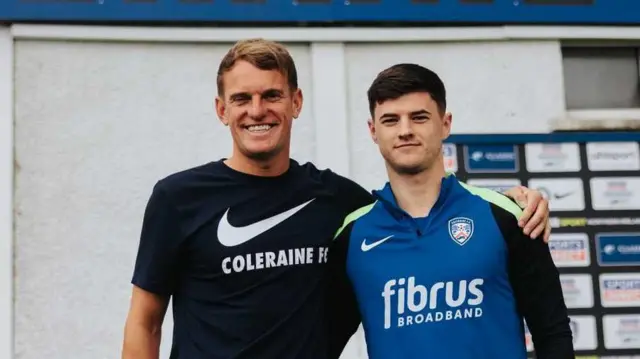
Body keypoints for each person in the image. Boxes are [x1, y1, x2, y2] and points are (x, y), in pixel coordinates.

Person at [121, 38, 552, 359]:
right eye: (241, 99)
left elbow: (421, 214)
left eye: (271, 95)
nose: (257, 110)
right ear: (222, 110)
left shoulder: (340, 203)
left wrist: (516, 203)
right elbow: (145, 320)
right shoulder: (178, 198)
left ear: (296, 102)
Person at [326, 63, 574, 359]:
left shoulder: (507, 216)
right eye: (391, 120)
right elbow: (318, 342)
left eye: (419, 118)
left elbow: (552, 333)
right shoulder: (351, 237)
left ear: (445, 123)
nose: (405, 131)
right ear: (373, 131)